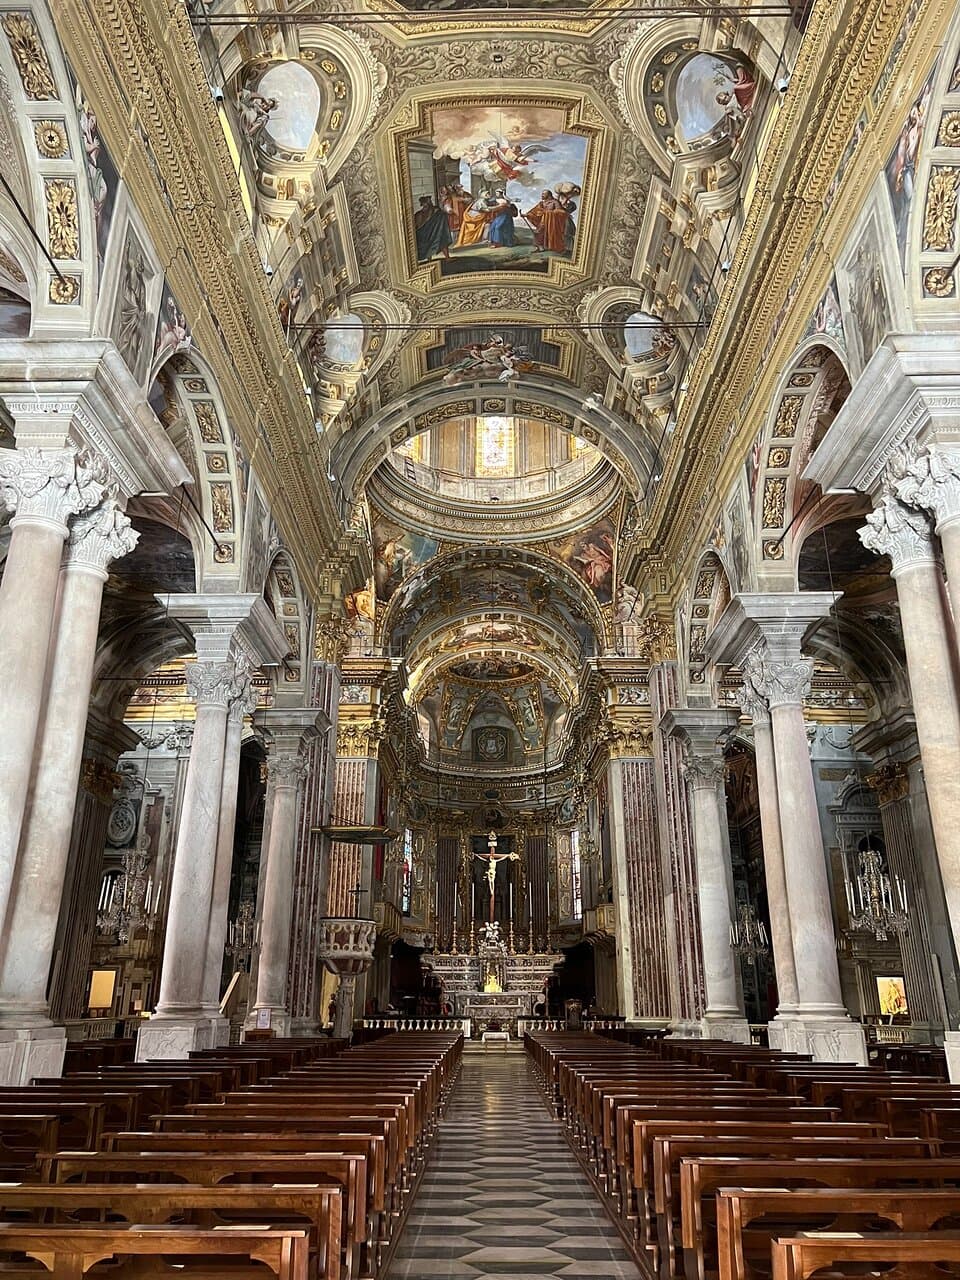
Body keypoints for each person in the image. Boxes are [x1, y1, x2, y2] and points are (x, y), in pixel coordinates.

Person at [414, 196, 452, 261]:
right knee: (426, 243)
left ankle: (447, 258)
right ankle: (429, 260)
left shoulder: (436, 210)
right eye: (426, 202)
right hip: (424, 235)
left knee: (442, 239)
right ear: (422, 204)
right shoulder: (419, 214)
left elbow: (442, 216)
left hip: (435, 232)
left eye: (430, 202)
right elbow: (418, 227)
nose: (430, 203)